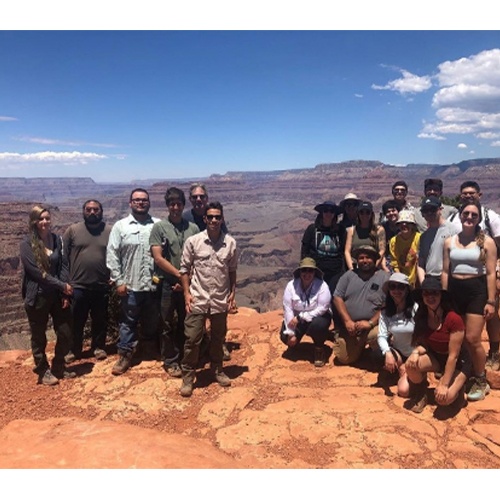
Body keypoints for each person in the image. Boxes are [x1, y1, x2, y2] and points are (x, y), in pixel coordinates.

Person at [179, 201, 238, 397]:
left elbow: (232, 270)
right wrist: (187, 294)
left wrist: (233, 293)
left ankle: (217, 370)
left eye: (217, 217)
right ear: (204, 219)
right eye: (210, 217)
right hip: (198, 297)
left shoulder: (230, 243)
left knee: (218, 337)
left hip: (220, 299)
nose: (214, 220)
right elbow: (184, 269)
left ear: (222, 219)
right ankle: (188, 376)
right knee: (192, 338)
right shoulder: (193, 241)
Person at [442, 200, 497, 401]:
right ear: (460, 215)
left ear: (479, 218)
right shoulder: (449, 241)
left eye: (474, 215)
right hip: (455, 292)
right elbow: (445, 271)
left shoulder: (487, 242)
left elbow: (491, 273)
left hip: (477, 291)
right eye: (466, 213)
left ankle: (480, 379)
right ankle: (463, 371)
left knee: (473, 338)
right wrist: (443, 295)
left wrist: (491, 301)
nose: (469, 217)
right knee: (458, 337)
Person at [106, 188, 161, 376]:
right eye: (137, 200)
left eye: (144, 200)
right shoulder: (120, 226)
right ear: (130, 203)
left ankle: (149, 349)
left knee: (152, 320)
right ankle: (125, 355)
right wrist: (119, 280)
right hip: (130, 284)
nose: (140, 203)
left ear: (149, 202)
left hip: (153, 285)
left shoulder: (158, 225)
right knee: (128, 322)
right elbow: (112, 255)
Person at [447, 181, 500, 371]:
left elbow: (498, 243)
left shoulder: (490, 216)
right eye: (465, 193)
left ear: (480, 194)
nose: (468, 196)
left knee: (490, 318)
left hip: (486, 274)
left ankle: (494, 352)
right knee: (461, 330)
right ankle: (467, 364)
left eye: (472, 193)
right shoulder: (453, 217)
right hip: (459, 283)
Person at [20, 206, 75, 385]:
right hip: (37, 296)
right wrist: (62, 286)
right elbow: (37, 273)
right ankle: (43, 370)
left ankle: (59, 365)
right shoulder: (27, 244)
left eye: (47, 218)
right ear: (34, 221)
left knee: (65, 331)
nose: (44, 222)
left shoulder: (57, 239)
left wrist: (64, 292)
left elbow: (64, 265)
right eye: (40, 219)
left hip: (57, 296)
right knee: (39, 335)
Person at [150, 187, 199, 378]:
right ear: (167, 205)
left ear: (183, 205)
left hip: (189, 285)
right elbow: (158, 258)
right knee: (167, 323)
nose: (176, 207)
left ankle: (186, 358)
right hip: (167, 285)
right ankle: (170, 360)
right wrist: (181, 277)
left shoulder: (192, 228)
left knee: (187, 323)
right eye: (172, 204)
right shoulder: (159, 228)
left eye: (179, 204)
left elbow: (198, 257)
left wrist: (188, 281)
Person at [405, 276, 470, 414]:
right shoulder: (421, 316)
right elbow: (423, 344)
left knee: (444, 399)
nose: (430, 297)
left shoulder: (453, 319)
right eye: (426, 293)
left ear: (441, 296)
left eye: (434, 293)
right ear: (422, 297)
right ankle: (421, 393)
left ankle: (458, 389)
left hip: (458, 363)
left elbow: (453, 356)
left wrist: (445, 384)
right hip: (436, 357)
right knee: (410, 366)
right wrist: (415, 352)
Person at [183, 181, 232, 360]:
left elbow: (224, 245)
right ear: (190, 199)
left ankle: (218, 345)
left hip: (213, 275)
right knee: (194, 316)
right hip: (193, 275)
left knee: (217, 316)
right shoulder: (185, 217)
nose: (198, 199)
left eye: (202, 196)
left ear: (207, 198)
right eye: (195, 197)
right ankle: (200, 345)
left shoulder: (215, 216)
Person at [63, 200, 111, 363]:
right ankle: (74, 349)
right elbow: (63, 258)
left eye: (95, 209)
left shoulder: (109, 231)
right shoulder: (73, 231)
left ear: (101, 211)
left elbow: (116, 255)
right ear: (83, 211)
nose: (92, 212)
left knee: (100, 318)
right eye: (88, 209)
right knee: (76, 320)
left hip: (101, 284)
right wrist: (65, 281)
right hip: (77, 285)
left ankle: (98, 347)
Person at [333, 245, 389, 365]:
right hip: (352, 327)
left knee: (376, 336)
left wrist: (370, 323)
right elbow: (337, 297)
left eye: (368, 257)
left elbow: (388, 305)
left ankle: (379, 354)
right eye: (361, 258)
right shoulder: (348, 276)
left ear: (375, 259)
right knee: (344, 359)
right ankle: (360, 350)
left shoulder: (384, 277)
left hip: (373, 326)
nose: (364, 261)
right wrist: (347, 321)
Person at [280, 257, 332, 367]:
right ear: (300, 272)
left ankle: (319, 348)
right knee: (285, 337)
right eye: (304, 270)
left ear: (315, 272)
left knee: (318, 326)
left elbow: (323, 308)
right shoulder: (291, 286)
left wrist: (302, 316)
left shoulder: (322, 286)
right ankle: (297, 343)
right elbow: (288, 308)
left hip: (317, 317)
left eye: (310, 270)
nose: (307, 273)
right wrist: (290, 332)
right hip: (298, 320)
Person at [377, 273, 417, 397]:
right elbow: (382, 335)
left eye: (401, 287)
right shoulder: (385, 312)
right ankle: (401, 370)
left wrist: (414, 356)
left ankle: (405, 372)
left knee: (403, 391)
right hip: (398, 352)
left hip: (416, 354)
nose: (396, 290)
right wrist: (387, 353)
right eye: (393, 287)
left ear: (407, 290)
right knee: (378, 354)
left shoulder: (416, 308)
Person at [301, 200, 346, 296]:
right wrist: (305, 271)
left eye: (331, 211)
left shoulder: (340, 230)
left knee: (333, 297)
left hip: (336, 272)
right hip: (316, 272)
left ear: (335, 214)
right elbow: (304, 251)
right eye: (326, 210)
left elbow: (343, 250)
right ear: (321, 212)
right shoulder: (312, 229)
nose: (328, 213)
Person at [416, 195, 458, 285]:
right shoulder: (424, 236)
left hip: (449, 279)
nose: (429, 213)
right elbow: (420, 263)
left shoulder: (453, 230)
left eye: (432, 209)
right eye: (426, 211)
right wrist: (423, 282)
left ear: (440, 209)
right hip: (429, 280)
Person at [344, 201, 387, 271]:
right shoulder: (352, 230)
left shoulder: (379, 230)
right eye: (362, 212)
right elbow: (347, 251)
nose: (364, 215)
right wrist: (351, 268)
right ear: (358, 214)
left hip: (373, 266)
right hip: (356, 267)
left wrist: (374, 266)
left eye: (367, 212)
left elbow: (382, 250)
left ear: (371, 214)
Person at [388, 210, 421, 287]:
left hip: (417, 278)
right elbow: (394, 262)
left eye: (407, 223)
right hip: (401, 279)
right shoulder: (394, 241)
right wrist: (400, 279)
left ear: (412, 225)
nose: (404, 225)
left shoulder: (419, 238)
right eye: (401, 223)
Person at [380, 199, 400, 271]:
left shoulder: (405, 226)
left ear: (398, 211)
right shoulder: (382, 228)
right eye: (388, 212)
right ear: (385, 215)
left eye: (393, 210)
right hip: (387, 260)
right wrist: (384, 265)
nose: (391, 213)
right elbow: (381, 249)